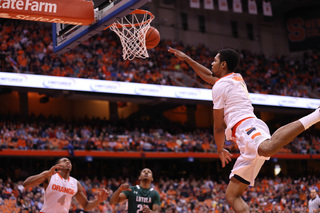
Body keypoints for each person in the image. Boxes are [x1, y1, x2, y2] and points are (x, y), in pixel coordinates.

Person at [168, 47, 320, 213]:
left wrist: (220, 149)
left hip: (247, 127)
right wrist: (188, 59)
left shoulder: (220, 87)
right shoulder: (235, 77)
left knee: (267, 148)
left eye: (215, 61)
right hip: (243, 137)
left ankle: (317, 115)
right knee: (232, 195)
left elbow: (218, 126)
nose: (212, 63)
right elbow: (208, 76)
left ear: (223, 64)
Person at [23, 157, 110, 213]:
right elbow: (26, 184)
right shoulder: (50, 176)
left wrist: (98, 201)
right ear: (58, 165)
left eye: (69, 161)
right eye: (64, 161)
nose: (68, 162)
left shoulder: (75, 183)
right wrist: (46, 174)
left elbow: (86, 206)